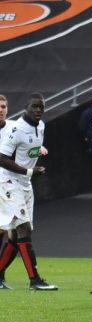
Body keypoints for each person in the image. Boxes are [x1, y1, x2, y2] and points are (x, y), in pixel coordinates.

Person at [0, 92, 58, 290]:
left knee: (17, 236)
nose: (38, 110)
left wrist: (37, 156)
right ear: (26, 107)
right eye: (34, 106)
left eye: (41, 106)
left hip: (25, 183)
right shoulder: (16, 128)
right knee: (23, 228)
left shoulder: (41, 126)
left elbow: (30, 149)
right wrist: (29, 171)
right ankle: (35, 280)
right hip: (8, 182)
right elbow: (2, 157)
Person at [0, 94, 14, 289]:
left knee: (11, 232)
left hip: (9, 186)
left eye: (3, 106)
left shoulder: (14, 128)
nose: (1, 109)